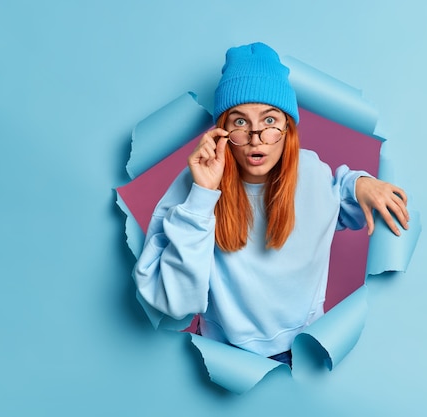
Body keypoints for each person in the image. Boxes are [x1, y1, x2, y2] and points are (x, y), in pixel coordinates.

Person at [134, 42, 409, 367]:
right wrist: (202, 197)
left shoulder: (311, 173)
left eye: (269, 121)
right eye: (239, 122)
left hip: (304, 356)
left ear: (287, 128)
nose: (256, 137)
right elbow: (174, 302)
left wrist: (362, 182)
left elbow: (342, 199)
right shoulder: (193, 186)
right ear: (220, 131)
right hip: (225, 360)